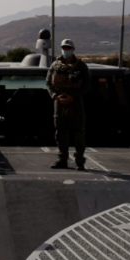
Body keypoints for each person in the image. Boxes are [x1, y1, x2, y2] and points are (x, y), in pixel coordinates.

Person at [46, 39, 92, 170]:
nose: (66, 50)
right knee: (60, 132)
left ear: (73, 49)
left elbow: (87, 84)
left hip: (75, 102)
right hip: (59, 103)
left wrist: (74, 96)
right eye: (64, 48)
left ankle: (80, 161)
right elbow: (48, 83)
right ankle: (62, 159)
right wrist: (55, 96)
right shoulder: (55, 65)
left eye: (68, 48)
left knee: (78, 133)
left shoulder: (81, 66)